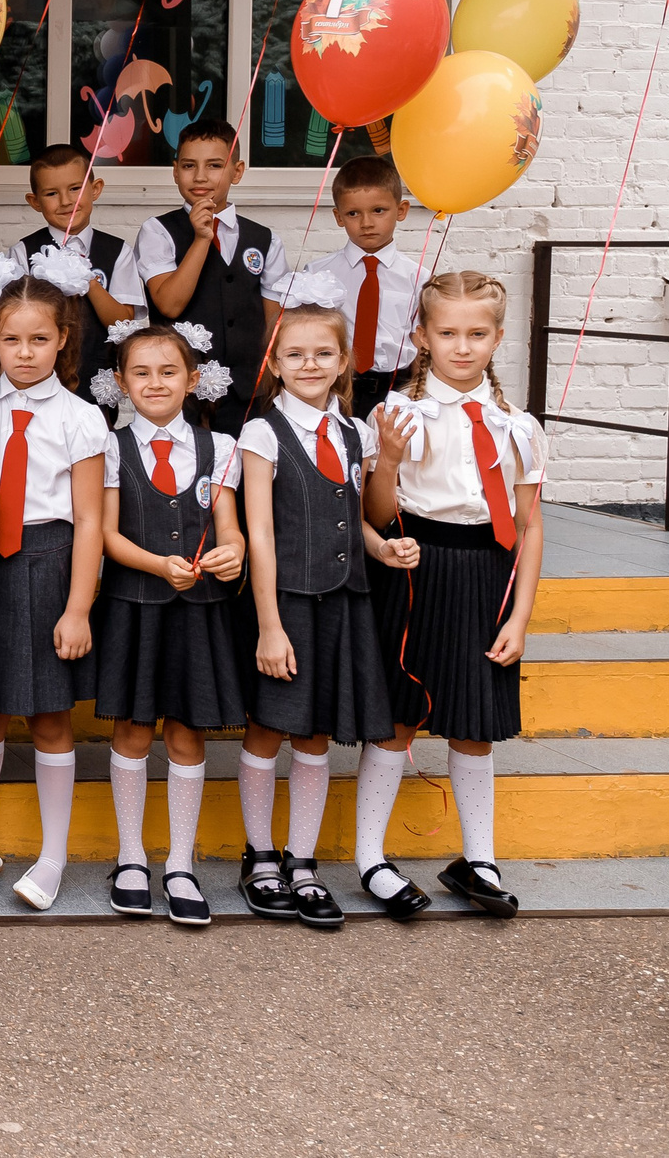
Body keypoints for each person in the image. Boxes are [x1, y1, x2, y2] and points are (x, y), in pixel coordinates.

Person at [362, 271, 547, 920]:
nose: (462, 346)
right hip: (417, 567)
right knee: (399, 714)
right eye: (448, 332)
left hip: (487, 577)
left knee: (475, 723)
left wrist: (520, 616)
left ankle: (480, 857)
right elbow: (379, 512)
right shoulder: (398, 414)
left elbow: (528, 526)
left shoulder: (518, 425)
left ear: (497, 337)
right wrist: (385, 460)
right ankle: (369, 856)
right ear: (422, 336)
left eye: (476, 333)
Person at [232, 294, 406, 931]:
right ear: (275, 363)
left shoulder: (356, 432)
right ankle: (259, 855)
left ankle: (302, 862)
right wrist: (270, 625)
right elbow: (261, 535)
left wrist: (385, 547)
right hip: (286, 604)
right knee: (269, 726)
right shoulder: (261, 433)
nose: (309, 364)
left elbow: (362, 518)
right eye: (295, 354)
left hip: (345, 603)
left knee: (313, 734)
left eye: (323, 354)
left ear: (344, 362)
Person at [0, 270, 108, 913]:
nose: (24, 352)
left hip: (47, 561)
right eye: (12, 339)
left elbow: (92, 520)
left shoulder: (82, 419)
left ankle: (52, 855)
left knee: (48, 714)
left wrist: (77, 607)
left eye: (38, 339)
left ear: (62, 340)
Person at [89, 322, 247, 926]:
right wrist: (157, 564)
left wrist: (232, 551)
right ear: (121, 382)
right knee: (132, 732)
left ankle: (179, 863)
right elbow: (105, 533)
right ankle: (131, 859)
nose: (155, 383)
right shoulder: (110, 447)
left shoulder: (219, 447)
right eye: (141, 373)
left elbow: (228, 524)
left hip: (199, 613)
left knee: (186, 734)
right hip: (135, 606)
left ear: (193, 380)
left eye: (169, 371)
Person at [138, 122, 291, 433]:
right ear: (175, 170)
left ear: (237, 171)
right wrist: (201, 239)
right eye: (189, 165)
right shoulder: (157, 231)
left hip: (249, 394)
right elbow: (170, 304)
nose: (200, 176)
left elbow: (274, 323)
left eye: (215, 165)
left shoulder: (265, 240)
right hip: (181, 392)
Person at [8, 144, 145, 402]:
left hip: (97, 379)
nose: (66, 201)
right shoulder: (22, 252)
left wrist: (87, 279)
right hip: (35, 382)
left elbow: (123, 324)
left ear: (96, 189)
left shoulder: (118, 251)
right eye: (51, 193)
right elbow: (16, 321)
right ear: (34, 202)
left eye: (75, 189)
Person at [305, 157, 421, 419]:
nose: (366, 223)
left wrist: (419, 395)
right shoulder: (318, 274)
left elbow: (420, 344)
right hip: (335, 387)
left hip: (398, 389)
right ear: (338, 216)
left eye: (378, 210)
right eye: (353, 213)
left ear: (401, 210)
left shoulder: (418, 278)